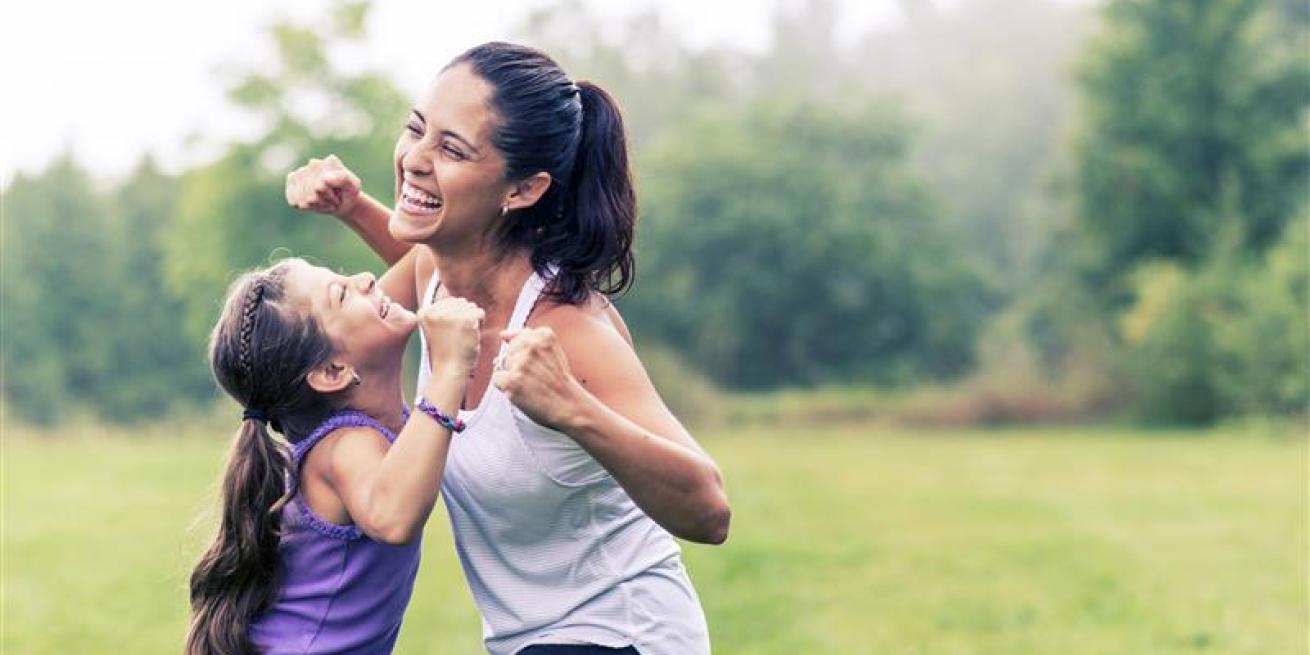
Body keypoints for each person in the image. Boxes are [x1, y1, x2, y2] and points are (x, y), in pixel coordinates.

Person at [285, 42, 731, 655]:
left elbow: (709, 509)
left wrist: (573, 407)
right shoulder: (434, 278)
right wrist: (354, 208)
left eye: (452, 148)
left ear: (521, 189)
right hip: (523, 641)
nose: (415, 157)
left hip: (621, 633)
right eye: (417, 129)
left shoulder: (567, 332)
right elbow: (377, 315)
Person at [186, 257, 484, 655]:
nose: (366, 278)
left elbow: (428, 255)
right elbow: (393, 518)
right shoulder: (345, 445)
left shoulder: (357, 411)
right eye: (341, 293)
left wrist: (353, 207)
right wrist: (449, 369)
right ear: (332, 371)